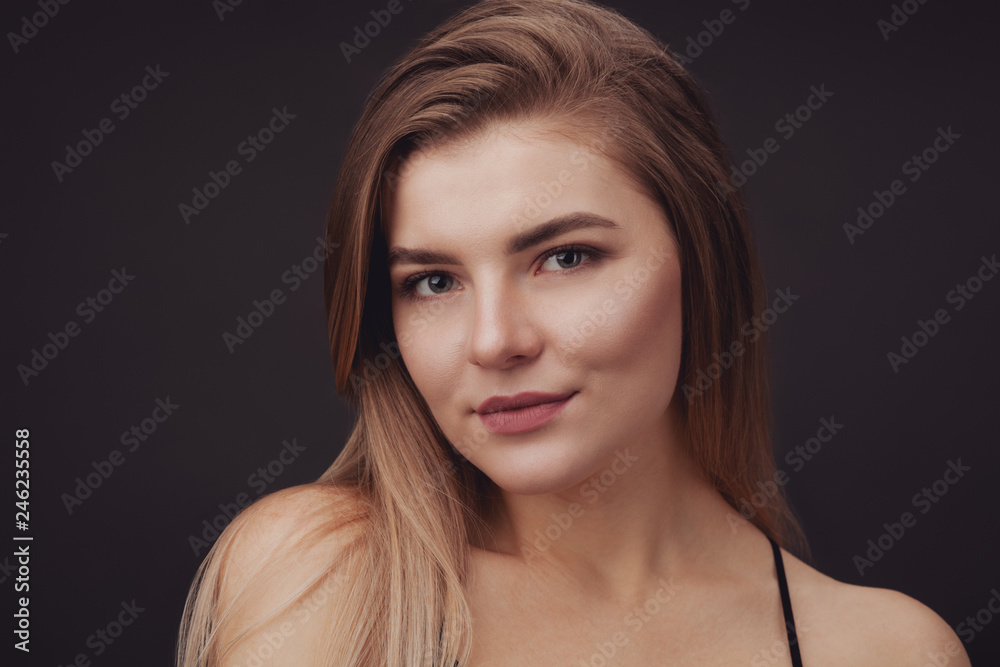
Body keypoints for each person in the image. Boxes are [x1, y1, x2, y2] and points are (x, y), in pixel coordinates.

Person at [176, 1, 970, 664]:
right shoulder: (328, 576)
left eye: (564, 256)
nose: (494, 340)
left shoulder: (885, 647)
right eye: (433, 282)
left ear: (700, 260)